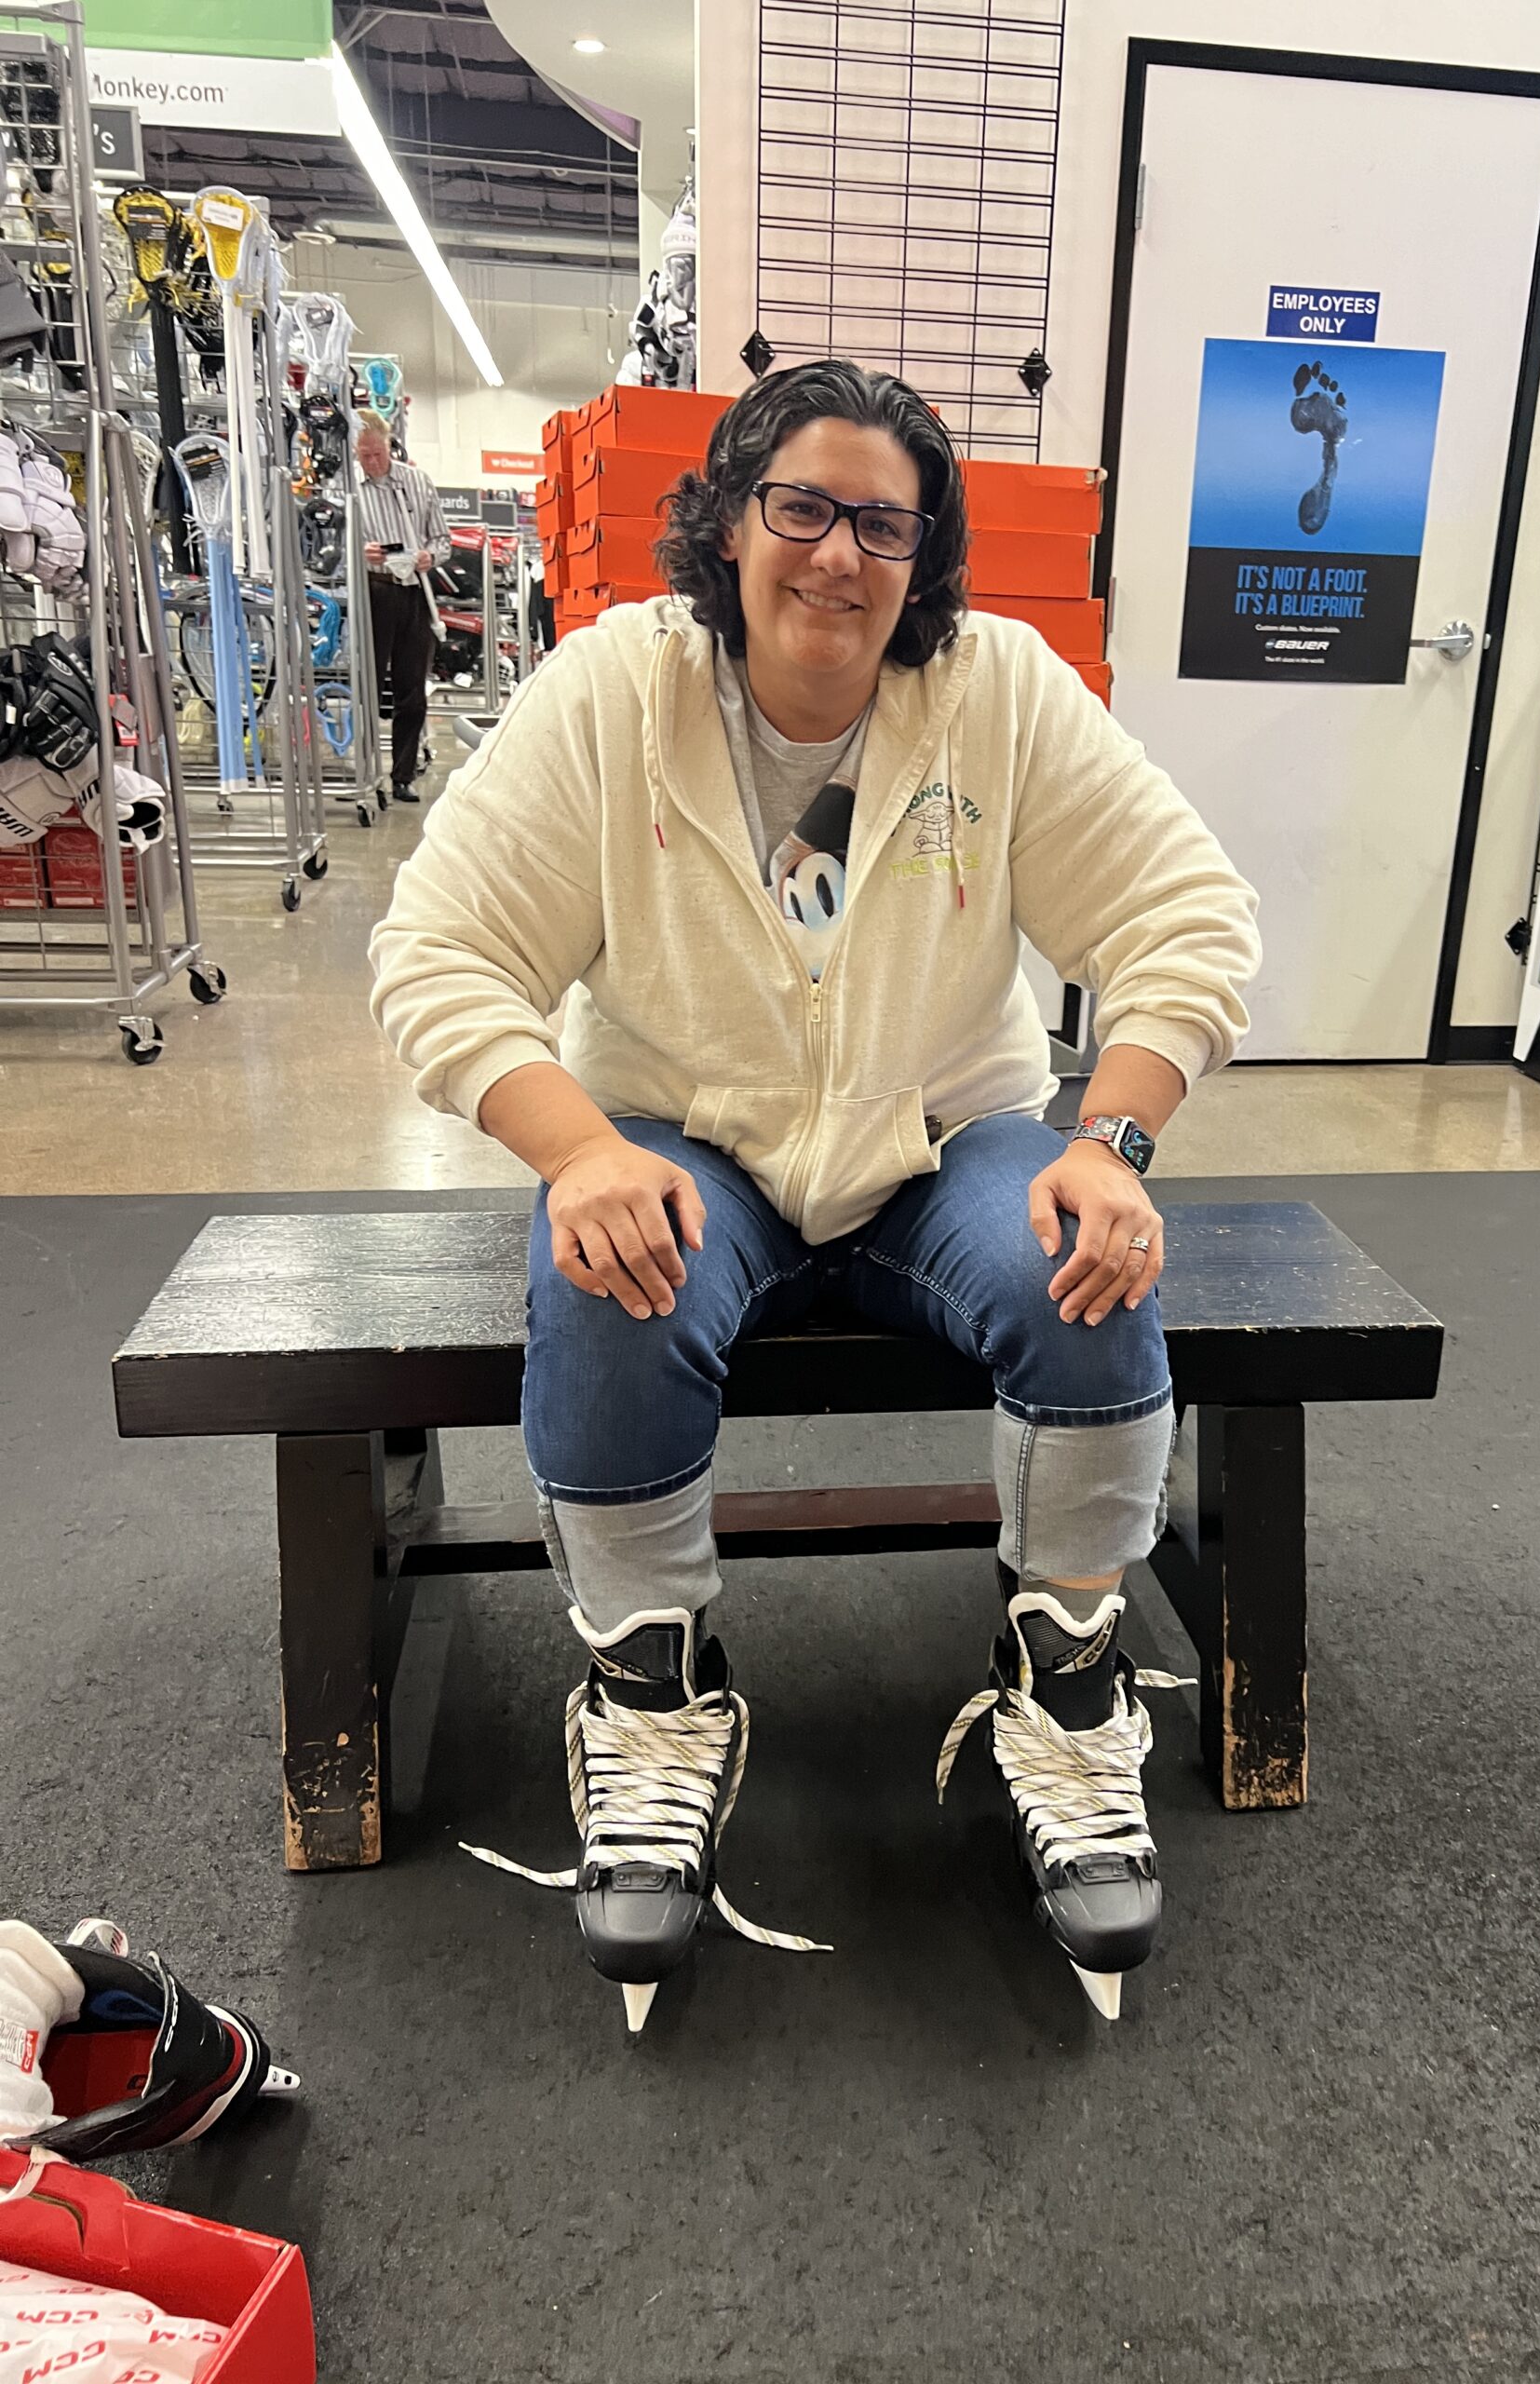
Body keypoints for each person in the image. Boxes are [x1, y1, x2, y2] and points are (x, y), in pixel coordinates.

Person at [370, 359, 1261, 2033]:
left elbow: (1185, 915)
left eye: (882, 524)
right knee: (605, 1278)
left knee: (1092, 1265)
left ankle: (1066, 1678)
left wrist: (1114, 1139)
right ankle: (653, 1686)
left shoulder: (999, 690)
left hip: (943, 1136)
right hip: (686, 1136)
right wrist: (575, 1145)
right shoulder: (609, 693)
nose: (837, 556)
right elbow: (438, 950)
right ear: (725, 521)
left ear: (923, 559)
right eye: (801, 508)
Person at [356, 412, 448, 802]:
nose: (372, 462)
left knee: (413, 689)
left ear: (388, 445)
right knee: (368, 688)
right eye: (364, 456)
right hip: (374, 592)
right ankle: (365, 773)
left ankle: (403, 775)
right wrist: (361, 553)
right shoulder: (348, 490)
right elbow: (327, 552)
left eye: (377, 453)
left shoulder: (417, 483)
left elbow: (443, 539)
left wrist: (431, 556)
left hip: (415, 592)